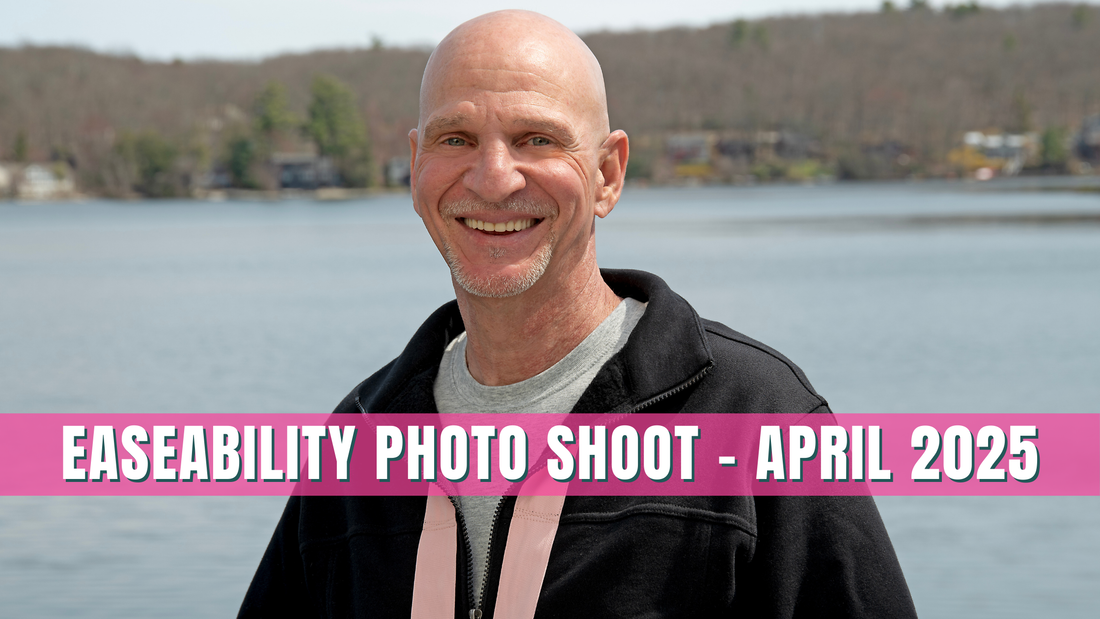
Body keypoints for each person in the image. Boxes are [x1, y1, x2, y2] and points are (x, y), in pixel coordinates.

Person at [240, 10, 917, 618]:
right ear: (416, 167)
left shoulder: (756, 416)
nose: (493, 177)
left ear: (608, 174)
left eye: (537, 139)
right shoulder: (359, 437)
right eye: (456, 139)